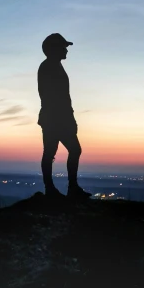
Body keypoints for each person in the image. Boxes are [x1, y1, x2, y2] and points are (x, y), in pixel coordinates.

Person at [37, 33, 92, 200]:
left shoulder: (52, 66)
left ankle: (63, 188)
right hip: (55, 118)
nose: (66, 50)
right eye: (63, 47)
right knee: (61, 151)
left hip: (55, 117)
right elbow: (54, 97)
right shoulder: (49, 67)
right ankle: (58, 188)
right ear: (54, 49)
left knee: (58, 152)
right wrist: (68, 118)